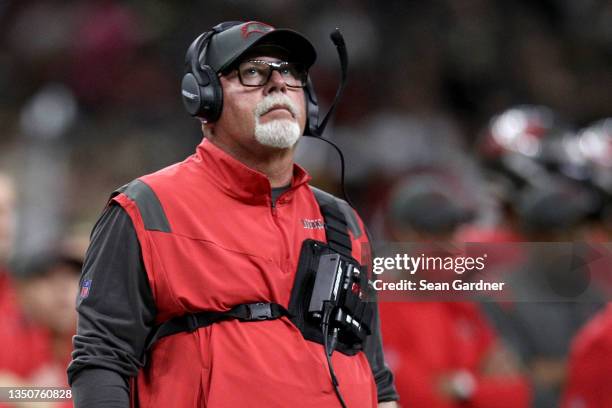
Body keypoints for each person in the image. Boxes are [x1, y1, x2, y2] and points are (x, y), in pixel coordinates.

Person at [67, 20, 398, 408]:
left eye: (290, 72)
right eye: (253, 71)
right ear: (205, 98)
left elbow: (376, 375)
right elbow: (102, 358)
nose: (278, 84)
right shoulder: (146, 207)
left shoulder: (343, 221)